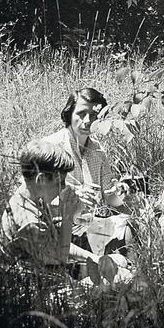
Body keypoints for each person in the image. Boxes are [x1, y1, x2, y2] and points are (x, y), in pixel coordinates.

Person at [42, 87, 131, 256]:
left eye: (94, 115)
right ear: (69, 114)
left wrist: (120, 190)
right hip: (60, 228)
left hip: (92, 224)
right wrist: (73, 194)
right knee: (130, 233)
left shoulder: (97, 150)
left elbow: (111, 198)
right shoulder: (51, 148)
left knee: (136, 226)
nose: (87, 120)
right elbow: (37, 196)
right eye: (81, 113)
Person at [0, 140, 102, 268]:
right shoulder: (29, 221)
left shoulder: (30, 195)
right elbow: (59, 257)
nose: (62, 188)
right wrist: (67, 217)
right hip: (30, 278)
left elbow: (55, 244)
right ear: (41, 179)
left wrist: (94, 258)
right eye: (60, 183)